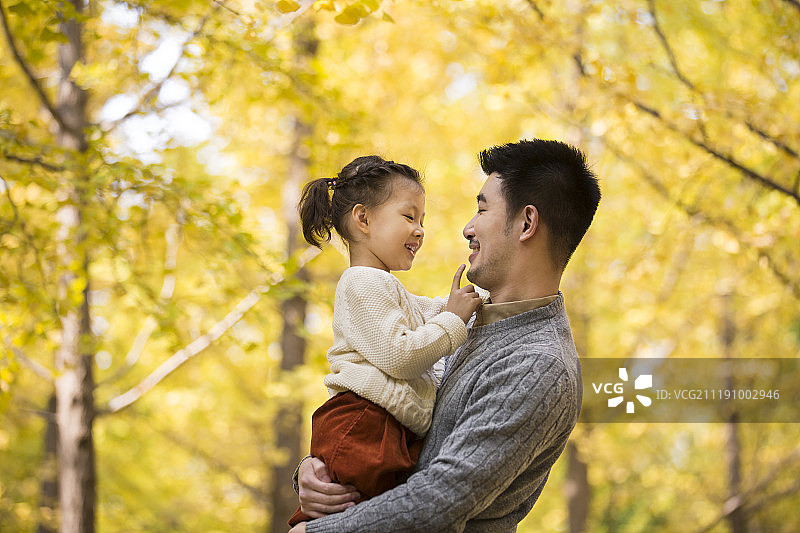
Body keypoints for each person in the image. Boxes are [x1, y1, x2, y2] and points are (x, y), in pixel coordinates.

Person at [289, 139, 601, 533]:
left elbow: (438, 501)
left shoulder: (537, 365)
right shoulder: (466, 320)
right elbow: (383, 411)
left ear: (526, 223)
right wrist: (314, 475)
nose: (467, 227)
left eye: (482, 208)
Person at [288, 155, 483, 526]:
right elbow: (400, 355)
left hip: (382, 425)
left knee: (358, 510)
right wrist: (454, 320)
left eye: (422, 220)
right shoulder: (360, 282)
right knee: (339, 509)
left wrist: (477, 302)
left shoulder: (387, 288)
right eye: (409, 217)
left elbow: (433, 310)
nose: (420, 230)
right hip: (364, 422)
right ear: (363, 219)